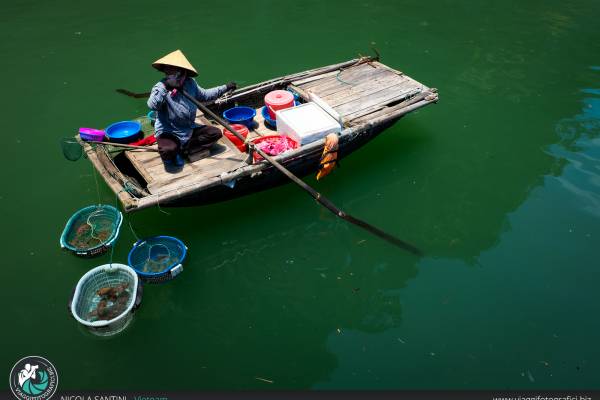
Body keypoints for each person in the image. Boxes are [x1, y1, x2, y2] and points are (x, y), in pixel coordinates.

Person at [147, 49, 236, 170]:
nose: (173, 76)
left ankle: (184, 147)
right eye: (169, 73)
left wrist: (225, 87)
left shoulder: (190, 83)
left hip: (188, 128)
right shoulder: (161, 86)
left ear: (183, 72)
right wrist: (166, 86)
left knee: (215, 133)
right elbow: (152, 105)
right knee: (168, 150)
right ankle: (178, 150)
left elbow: (205, 95)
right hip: (169, 131)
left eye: (177, 73)